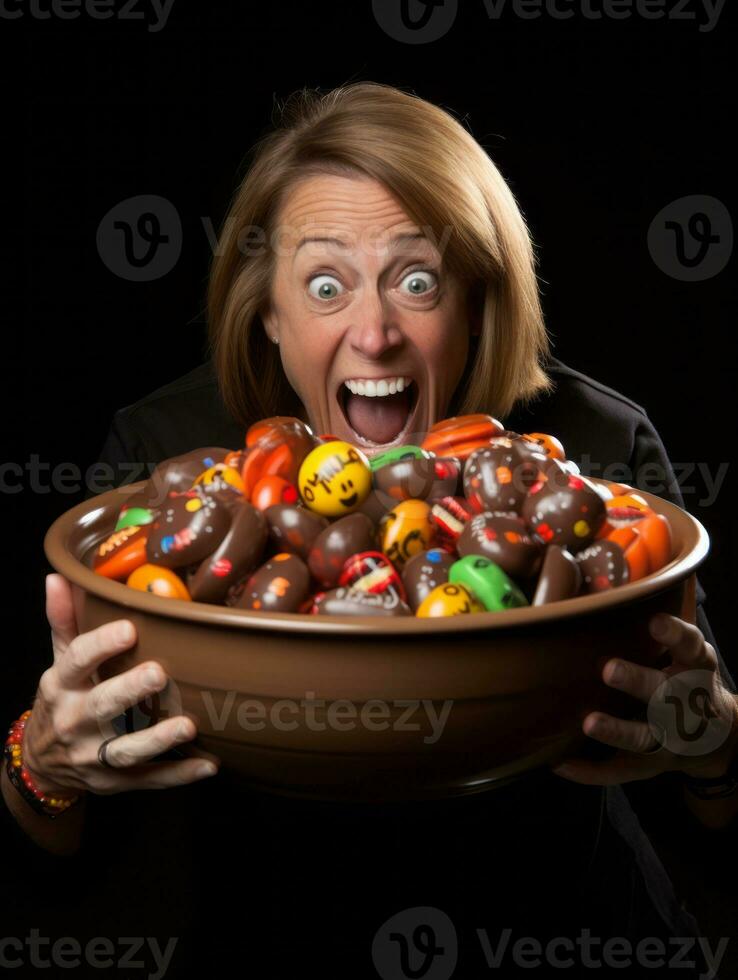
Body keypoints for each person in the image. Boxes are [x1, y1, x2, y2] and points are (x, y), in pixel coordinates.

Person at [5, 82, 737, 979]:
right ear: (266, 310)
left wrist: (712, 746)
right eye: (324, 284)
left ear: (475, 295)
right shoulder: (157, 458)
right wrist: (45, 765)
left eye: (418, 280)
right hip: (254, 949)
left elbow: (721, 818)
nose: (376, 332)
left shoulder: (598, 453)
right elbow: (41, 850)